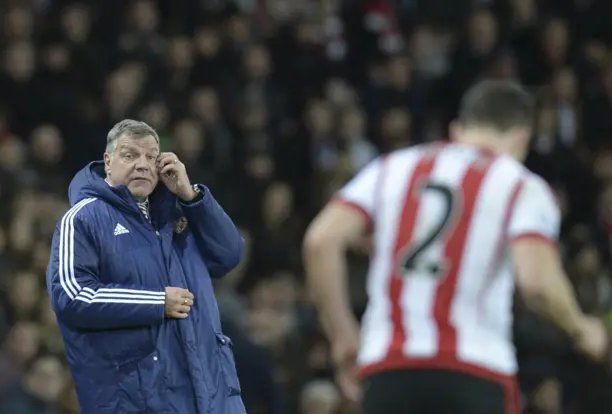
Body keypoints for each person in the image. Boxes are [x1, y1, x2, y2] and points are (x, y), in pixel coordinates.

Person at [303, 81, 609, 414]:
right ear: (523, 137)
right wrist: (580, 327)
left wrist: (343, 332)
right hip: (475, 368)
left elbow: (321, 241)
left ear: (457, 129)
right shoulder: (521, 185)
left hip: (389, 368)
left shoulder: (392, 167)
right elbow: (535, 280)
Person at [46, 120, 246, 414]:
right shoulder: (83, 218)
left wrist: (191, 196)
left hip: (213, 394)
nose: (142, 165)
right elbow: (72, 295)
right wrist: (156, 301)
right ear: (108, 161)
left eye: (151, 156)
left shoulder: (181, 212)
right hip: (137, 400)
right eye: (130, 155)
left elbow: (229, 255)